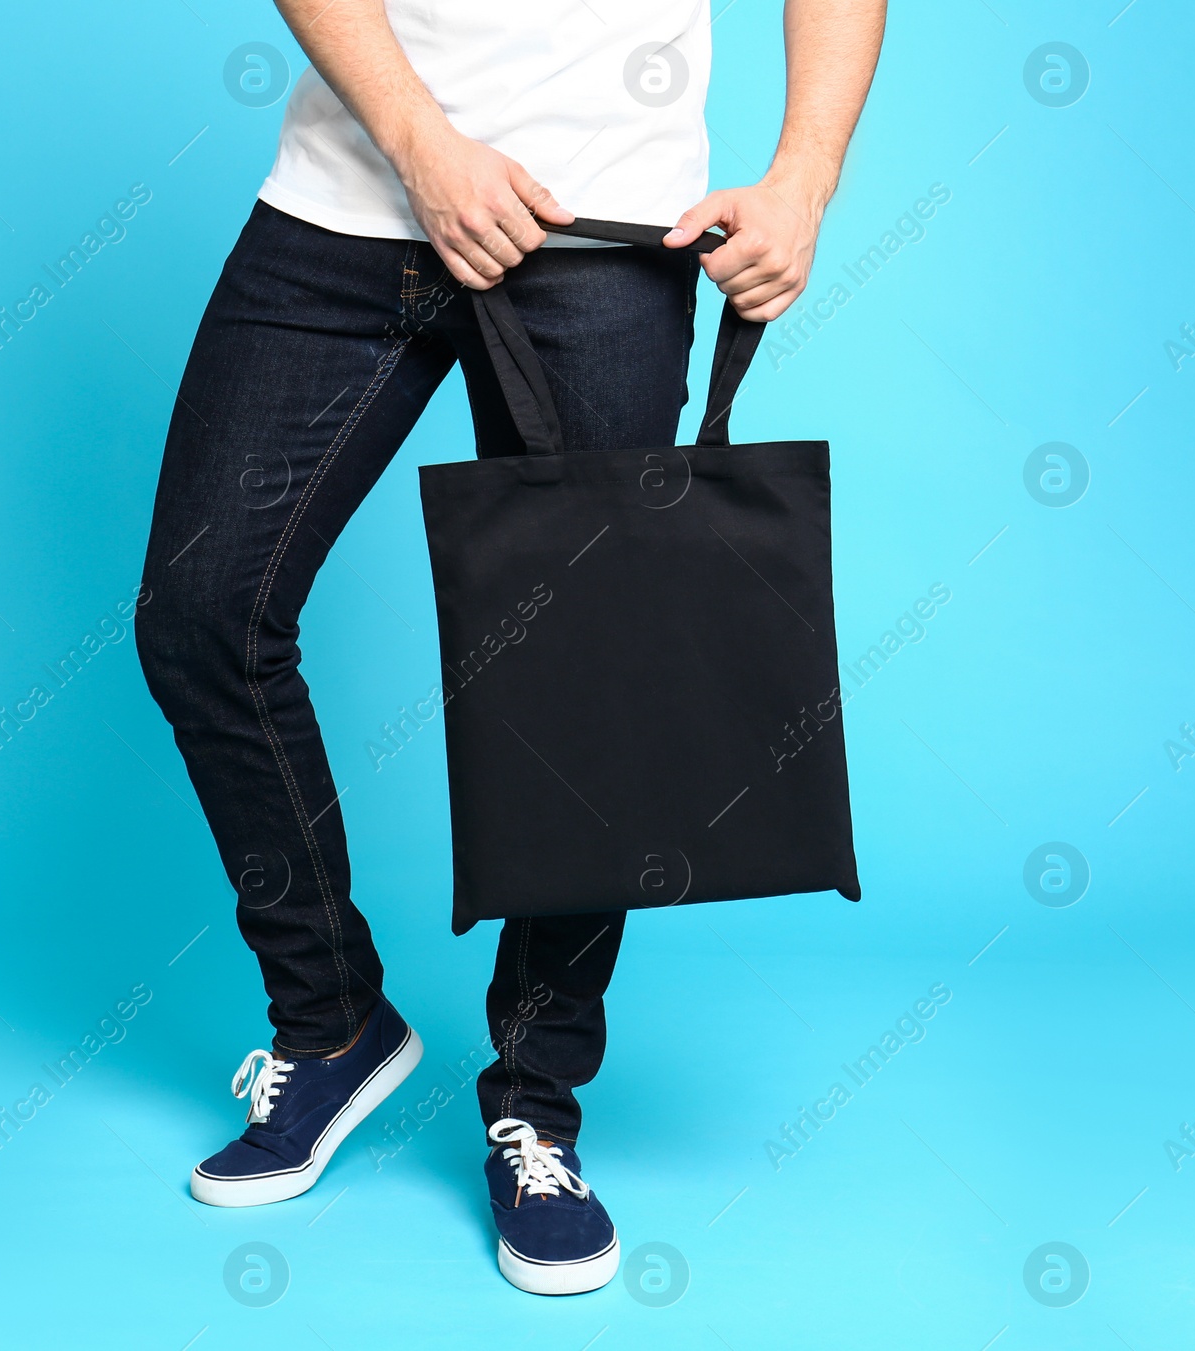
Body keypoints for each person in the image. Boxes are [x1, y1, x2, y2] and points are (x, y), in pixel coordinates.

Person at [135, 0, 884, 1296]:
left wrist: (803, 181)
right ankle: (330, 1024)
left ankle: (536, 1103)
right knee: (202, 613)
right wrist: (424, 146)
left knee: (591, 669)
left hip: (602, 226)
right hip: (357, 191)